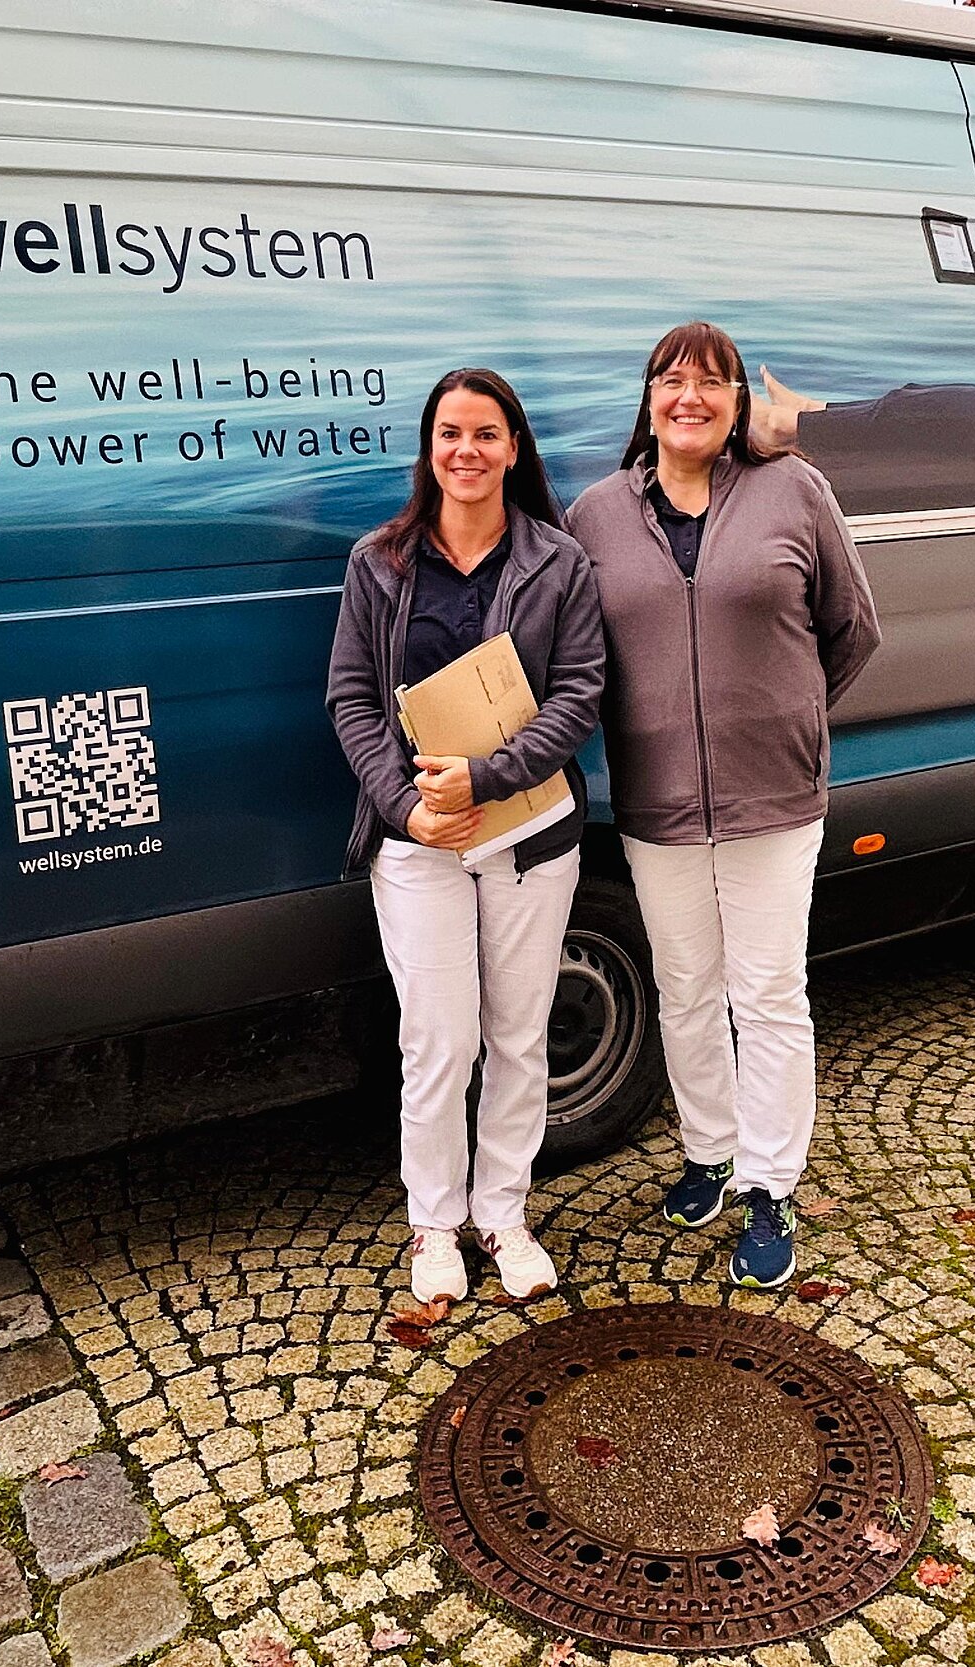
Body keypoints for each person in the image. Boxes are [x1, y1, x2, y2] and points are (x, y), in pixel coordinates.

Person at [567, 322, 879, 1288]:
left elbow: (853, 629)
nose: (690, 396)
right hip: (656, 801)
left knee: (769, 991)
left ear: (738, 401)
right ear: (648, 398)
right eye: (672, 379)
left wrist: (789, 719)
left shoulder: (795, 491)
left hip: (773, 799)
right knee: (686, 986)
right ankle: (708, 1152)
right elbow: (576, 654)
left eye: (712, 381)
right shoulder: (595, 516)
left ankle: (769, 1184)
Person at [326, 368, 606, 1305]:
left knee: (519, 1036)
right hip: (420, 841)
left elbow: (579, 694)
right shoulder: (379, 562)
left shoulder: (560, 563)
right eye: (450, 433)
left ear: (513, 448)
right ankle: (435, 1223)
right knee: (439, 1040)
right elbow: (352, 699)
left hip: (529, 834)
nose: (467, 450)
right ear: (429, 446)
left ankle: (503, 1212)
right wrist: (406, 807)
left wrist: (489, 777)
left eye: (486, 434)